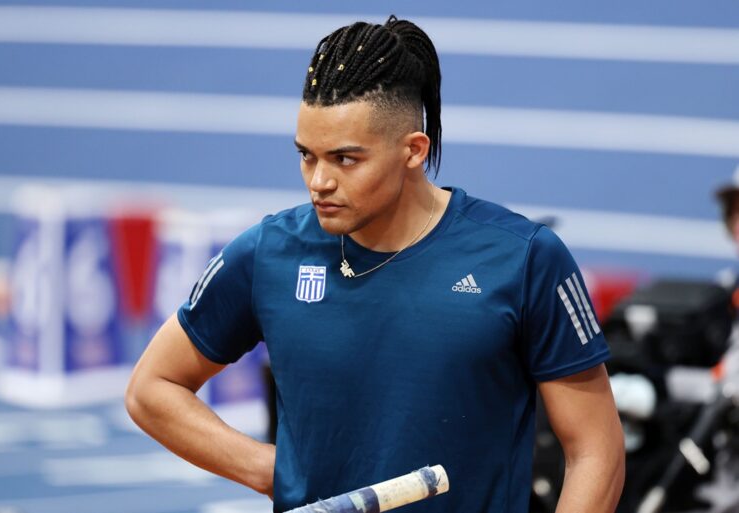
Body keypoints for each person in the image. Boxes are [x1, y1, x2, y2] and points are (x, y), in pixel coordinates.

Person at [126, 15, 625, 512]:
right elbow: (153, 388)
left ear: (413, 151)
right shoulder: (268, 253)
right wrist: (270, 469)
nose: (319, 182)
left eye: (345, 159)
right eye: (306, 155)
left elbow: (595, 450)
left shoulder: (524, 258)